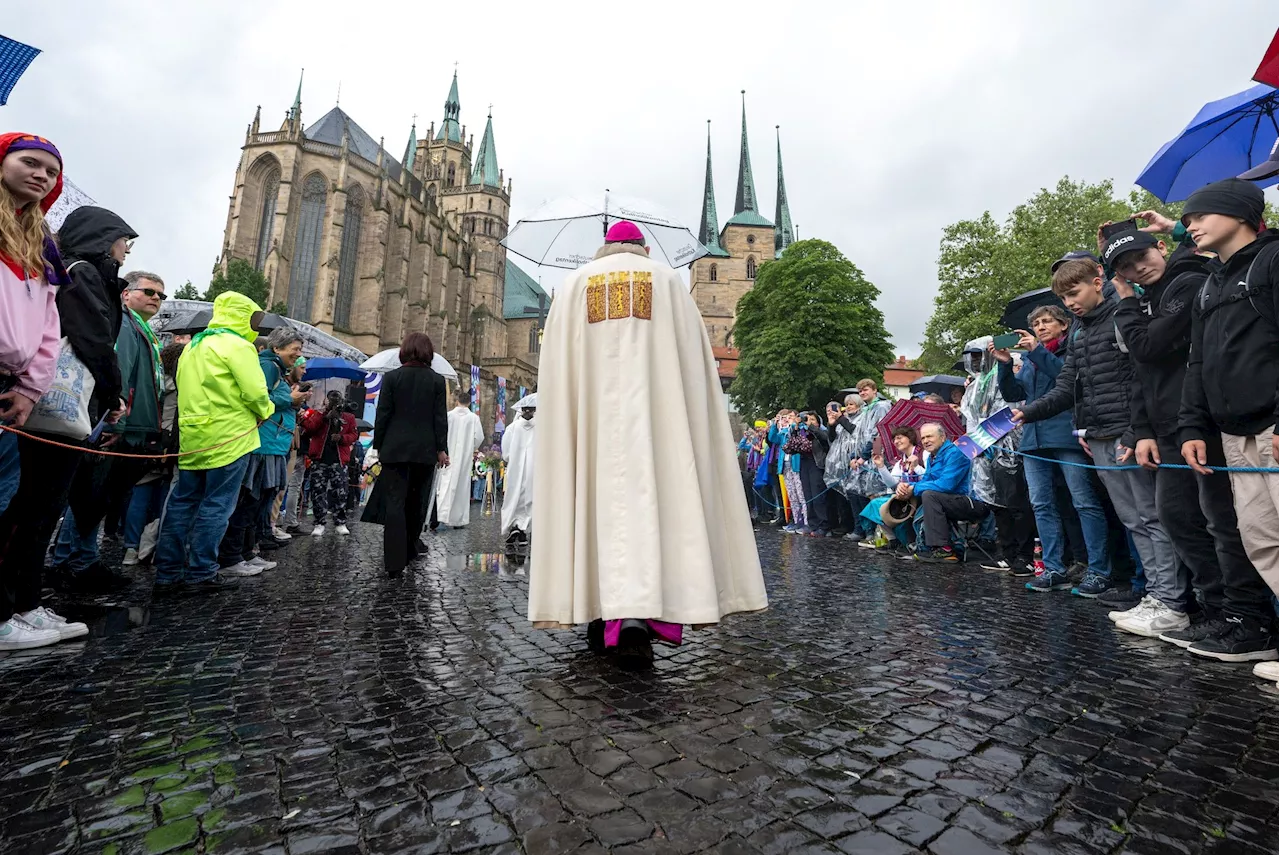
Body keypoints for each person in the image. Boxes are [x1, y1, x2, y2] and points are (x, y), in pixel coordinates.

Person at [528, 220, 767, 670]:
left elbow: (557, 372)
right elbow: (695, 369)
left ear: (605, 246)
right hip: (657, 425)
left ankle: (599, 614)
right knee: (653, 509)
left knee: (594, 510)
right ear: (641, 245)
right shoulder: (670, 282)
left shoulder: (573, 286)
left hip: (592, 426)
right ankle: (640, 615)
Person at [1105, 213, 1276, 659]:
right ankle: (1218, 611)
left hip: (1205, 425)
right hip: (1170, 428)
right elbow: (1141, 370)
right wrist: (1141, 429)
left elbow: (1149, 347)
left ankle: (1247, 617)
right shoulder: (1152, 297)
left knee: (1225, 524)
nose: (1137, 268)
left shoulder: (1189, 280)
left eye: (1141, 255)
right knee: (1183, 520)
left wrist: (1125, 303)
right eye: (1125, 266)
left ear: (1159, 249)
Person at [1014, 258, 1182, 637]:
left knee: (1151, 516)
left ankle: (1172, 601)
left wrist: (1136, 431)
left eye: (1074, 294)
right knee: (1133, 519)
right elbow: (1067, 387)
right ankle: (1156, 596)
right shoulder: (1079, 331)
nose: (1070, 303)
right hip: (1099, 434)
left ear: (1097, 281)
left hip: (1128, 433)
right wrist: (1028, 412)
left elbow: (1143, 376)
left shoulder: (1122, 315)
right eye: (1064, 297)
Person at [1178, 177, 1280, 665]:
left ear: (1238, 213)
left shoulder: (1274, 261)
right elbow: (1198, 363)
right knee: (1261, 538)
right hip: (1232, 432)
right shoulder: (1209, 283)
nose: (1190, 226)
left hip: (1272, 427)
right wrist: (1192, 428)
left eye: (1198, 215)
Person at [0, 133, 84, 650]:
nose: (42, 176)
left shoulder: (41, 241)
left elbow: (49, 326)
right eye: (30, 163)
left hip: (11, 386)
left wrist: (32, 389)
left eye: (51, 171)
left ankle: (8, 613)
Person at [54, 270, 168, 591]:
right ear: (126, 294)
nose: (156, 298)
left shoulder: (140, 328)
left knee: (93, 496)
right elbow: (119, 376)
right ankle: (82, 562)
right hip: (119, 426)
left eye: (161, 294)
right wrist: (115, 420)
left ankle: (68, 559)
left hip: (131, 426)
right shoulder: (125, 326)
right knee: (93, 496)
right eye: (149, 291)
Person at [152, 292, 272, 594]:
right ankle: (202, 571)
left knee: (182, 503)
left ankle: (167, 572)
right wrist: (265, 412)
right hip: (229, 436)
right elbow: (255, 392)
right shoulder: (239, 346)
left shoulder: (193, 346)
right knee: (217, 505)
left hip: (193, 436)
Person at [994, 306, 1111, 591]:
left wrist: (1036, 351)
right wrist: (1004, 364)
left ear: (1064, 325)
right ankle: (1053, 567)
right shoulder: (1032, 359)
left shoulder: (1071, 350)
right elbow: (1014, 394)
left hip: (1065, 436)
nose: (1041, 326)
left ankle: (1099, 569)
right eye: (1036, 323)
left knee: (1084, 502)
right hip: (1033, 441)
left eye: (1047, 321)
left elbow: (1068, 383)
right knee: (1042, 505)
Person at [216, 326, 306, 574]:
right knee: (250, 501)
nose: (298, 355)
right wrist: (290, 399)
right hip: (264, 443)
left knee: (259, 502)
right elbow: (258, 399)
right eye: (295, 349)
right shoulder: (268, 366)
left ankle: (246, 552)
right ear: (277, 347)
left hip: (273, 444)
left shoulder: (276, 367)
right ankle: (232, 557)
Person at [365, 332, 448, 577]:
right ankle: (411, 549)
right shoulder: (436, 380)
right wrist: (441, 449)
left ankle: (393, 562)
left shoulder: (391, 378)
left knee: (395, 504)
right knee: (416, 504)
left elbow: (383, 414)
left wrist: (378, 445)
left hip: (394, 449)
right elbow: (439, 419)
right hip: (425, 451)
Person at [959, 337, 1035, 575]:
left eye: (979, 355)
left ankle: (1025, 556)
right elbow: (970, 418)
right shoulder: (974, 385)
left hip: (1008, 445)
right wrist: (973, 444)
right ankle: (1007, 554)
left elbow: (1011, 408)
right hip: (985, 450)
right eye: (971, 357)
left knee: (1016, 503)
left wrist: (987, 439)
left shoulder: (1004, 374)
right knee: (996, 504)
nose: (975, 361)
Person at [895, 422, 974, 563]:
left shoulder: (955, 453)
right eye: (923, 438)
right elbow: (925, 481)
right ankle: (913, 543)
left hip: (967, 501)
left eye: (930, 436)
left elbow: (946, 485)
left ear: (942, 437)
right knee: (909, 496)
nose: (925, 441)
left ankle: (944, 548)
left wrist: (915, 488)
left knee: (928, 495)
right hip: (947, 499)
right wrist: (907, 486)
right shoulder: (933, 457)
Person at [301, 390, 358, 537]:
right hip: (319, 460)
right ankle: (319, 522)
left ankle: (340, 522)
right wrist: (325, 418)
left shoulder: (349, 417)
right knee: (317, 492)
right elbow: (309, 428)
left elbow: (353, 435)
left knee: (341, 492)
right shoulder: (319, 415)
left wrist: (342, 438)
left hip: (339, 460)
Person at [859, 426, 925, 549]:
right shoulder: (901, 462)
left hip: (919, 495)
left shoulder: (924, 455)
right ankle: (892, 539)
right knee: (876, 504)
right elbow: (892, 484)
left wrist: (916, 466)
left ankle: (910, 541)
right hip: (903, 496)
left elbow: (928, 477)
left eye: (899, 438)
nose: (896, 441)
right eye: (894, 439)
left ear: (910, 438)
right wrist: (881, 466)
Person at [436, 386, 484, 528]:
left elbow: (441, 433)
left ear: (457, 401)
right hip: (464, 456)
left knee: (445, 484)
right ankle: (458, 520)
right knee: (462, 487)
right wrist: (470, 447)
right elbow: (479, 437)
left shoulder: (449, 415)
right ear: (469, 403)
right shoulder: (473, 418)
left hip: (447, 454)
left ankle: (441, 516)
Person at [501, 404, 535, 544]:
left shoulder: (512, 428)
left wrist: (511, 459)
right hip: (533, 468)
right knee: (530, 497)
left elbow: (506, 452)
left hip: (515, 468)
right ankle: (525, 527)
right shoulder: (541, 428)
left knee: (514, 496)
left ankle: (514, 525)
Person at [796, 411, 832, 537]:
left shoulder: (820, 431)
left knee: (818, 496)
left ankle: (824, 525)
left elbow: (824, 439)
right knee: (808, 495)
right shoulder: (803, 433)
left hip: (817, 465)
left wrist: (811, 426)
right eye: (807, 419)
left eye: (813, 419)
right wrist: (795, 428)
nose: (809, 421)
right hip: (804, 464)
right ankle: (812, 523)